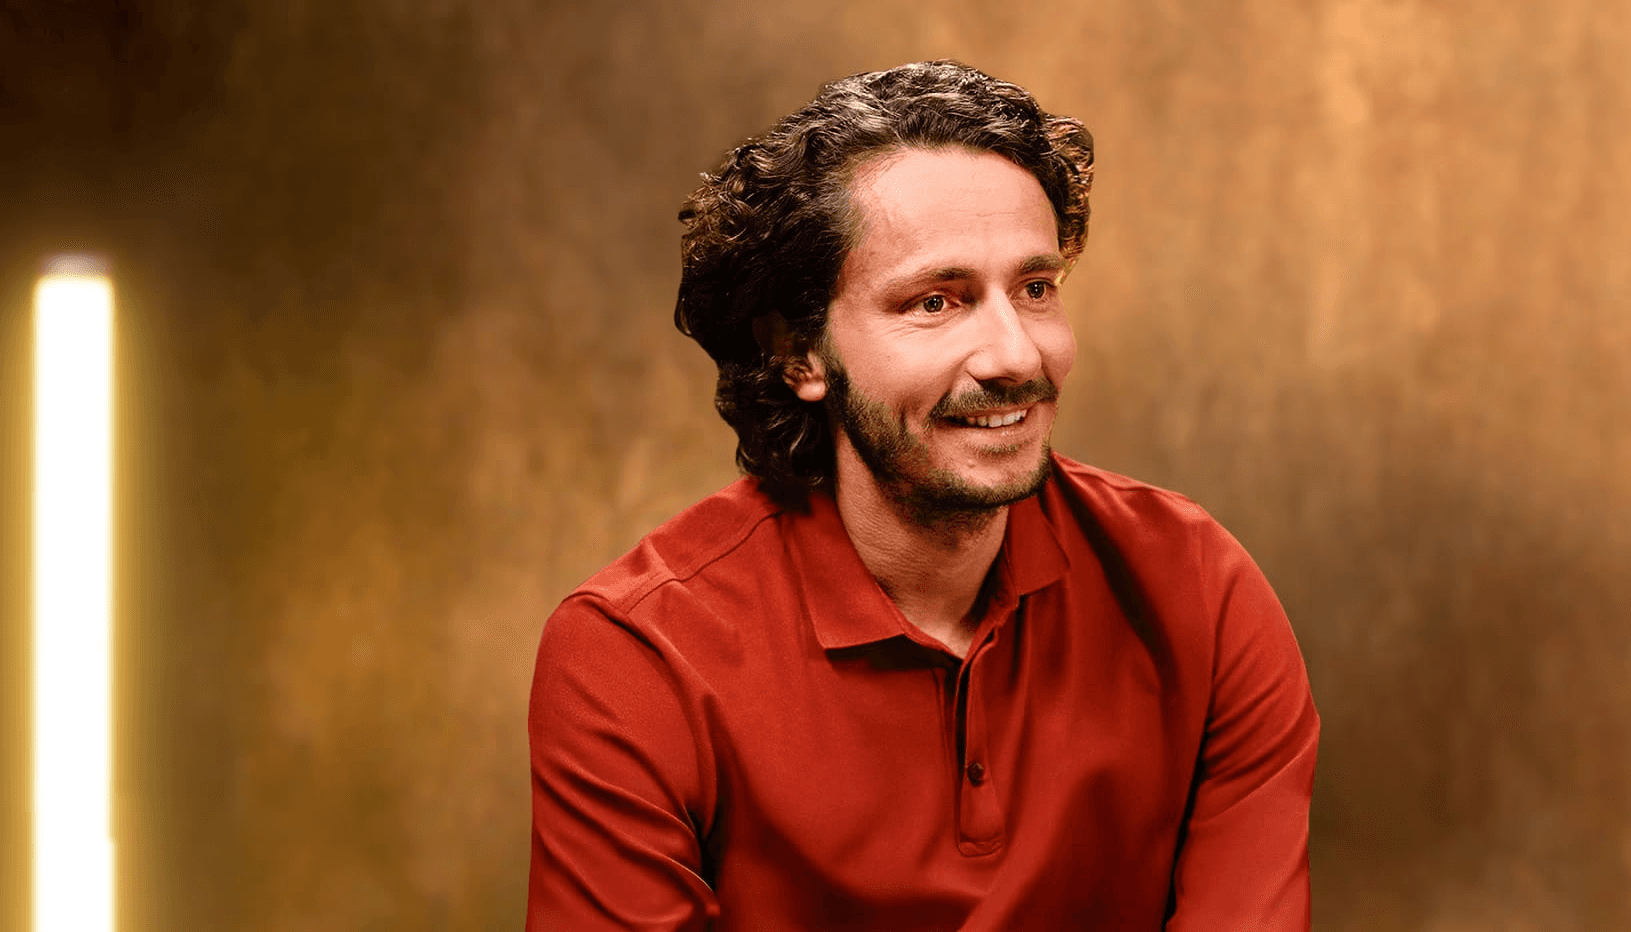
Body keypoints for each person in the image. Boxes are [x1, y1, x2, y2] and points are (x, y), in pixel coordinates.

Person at [526, 61, 1319, 931]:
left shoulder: (1196, 588)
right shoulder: (635, 656)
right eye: (935, 302)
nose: (1015, 356)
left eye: (1035, 289)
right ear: (797, 352)